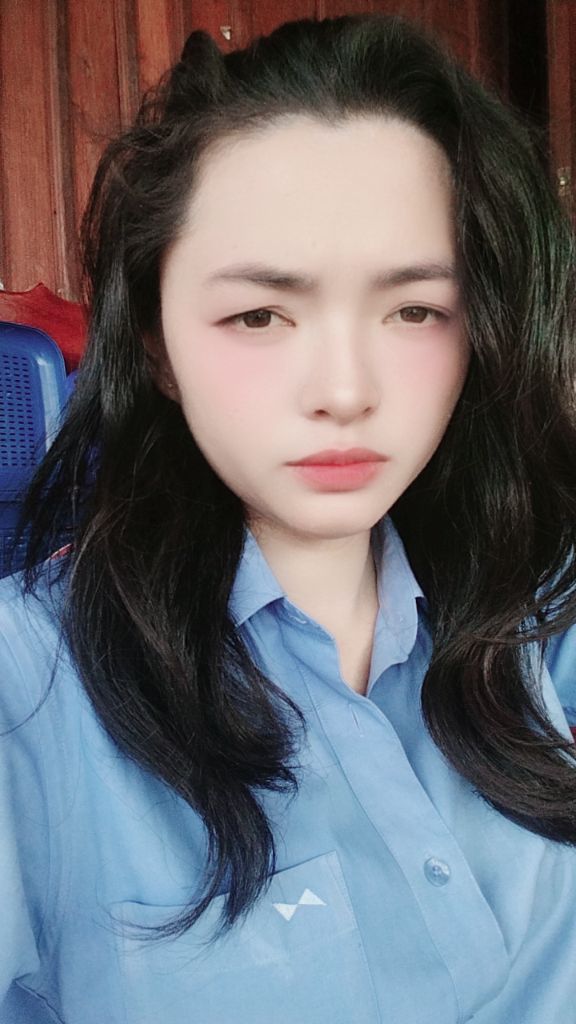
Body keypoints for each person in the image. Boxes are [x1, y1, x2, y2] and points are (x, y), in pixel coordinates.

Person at [1, 11, 576, 1023]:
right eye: (260, 314)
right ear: (158, 346)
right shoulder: (27, 691)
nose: (345, 391)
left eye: (414, 310)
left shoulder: (543, 612)